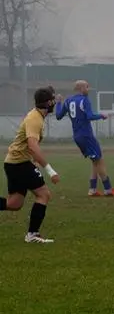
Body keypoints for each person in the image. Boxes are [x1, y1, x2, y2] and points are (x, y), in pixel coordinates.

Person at [1, 87, 61, 243]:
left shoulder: (37, 116)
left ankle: (32, 234)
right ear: (48, 103)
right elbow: (33, 146)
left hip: (15, 163)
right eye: (53, 99)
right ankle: (32, 234)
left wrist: (34, 162)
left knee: (14, 203)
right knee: (44, 194)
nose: (54, 102)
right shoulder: (35, 119)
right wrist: (50, 170)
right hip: (19, 164)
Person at [55, 80, 114, 197]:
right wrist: (102, 115)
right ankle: (108, 189)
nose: (88, 89)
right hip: (86, 135)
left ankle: (92, 190)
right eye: (87, 87)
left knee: (95, 161)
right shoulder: (84, 100)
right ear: (81, 88)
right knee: (99, 161)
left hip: (77, 136)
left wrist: (58, 103)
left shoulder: (68, 101)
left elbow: (58, 116)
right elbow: (90, 116)